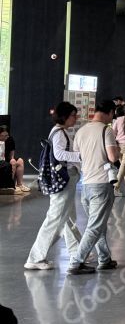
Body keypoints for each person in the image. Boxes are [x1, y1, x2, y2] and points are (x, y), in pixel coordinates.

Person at [25, 102, 82, 270]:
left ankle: (76, 250)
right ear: (64, 116)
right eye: (73, 115)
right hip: (64, 179)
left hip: (65, 179)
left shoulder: (61, 132)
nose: (75, 118)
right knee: (55, 219)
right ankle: (35, 257)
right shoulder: (59, 133)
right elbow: (59, 154)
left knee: (67, 218)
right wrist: (81, 156)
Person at [68, 100, 120, 275]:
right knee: (95, 226)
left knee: (99, 224)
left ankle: (104, 259)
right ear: (109, 112)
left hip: (86, 184)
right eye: (113, 114)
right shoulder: (107, 130)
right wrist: (119, 150)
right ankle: (76, 262)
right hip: (102, 184)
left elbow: (77, 157)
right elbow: (113, 157)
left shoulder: (81, 131)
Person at [0, 125, 29, 193]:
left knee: (20, 160)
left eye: (6, 135)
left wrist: (12, 160)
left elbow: (12, 154)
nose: (5, 137)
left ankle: (19, 184)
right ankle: (10, 185)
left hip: (7, 158)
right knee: (12, 163)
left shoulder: (10, 139)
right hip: (1, 160)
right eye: (2, 135)